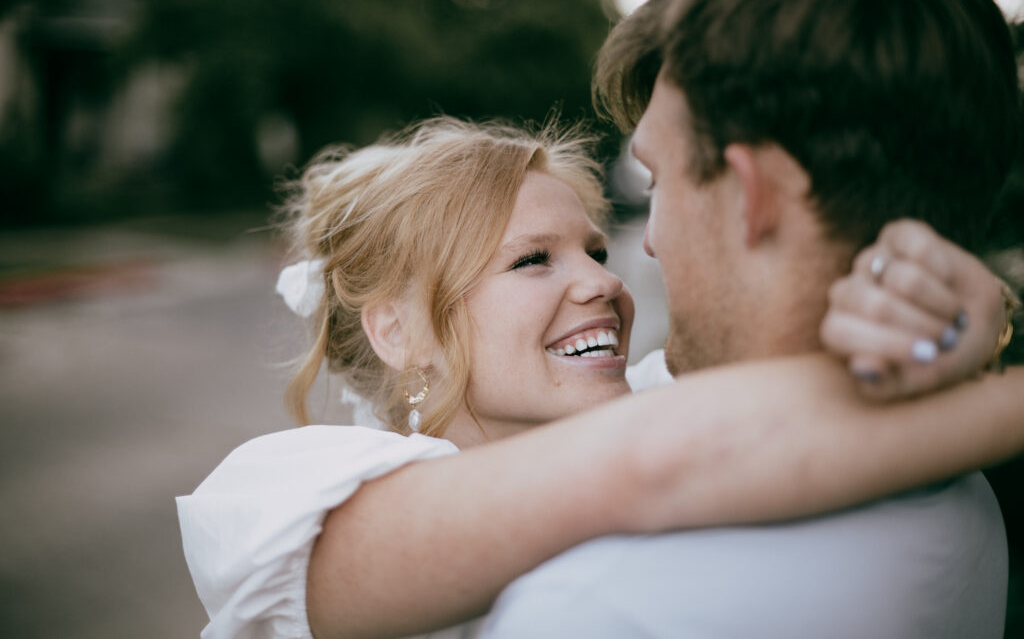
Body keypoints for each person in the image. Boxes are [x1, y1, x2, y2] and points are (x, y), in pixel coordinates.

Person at [177, 113, 1022, 639]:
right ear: (398, 329)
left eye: (593, 248)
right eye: (532, 259)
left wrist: (980, 324)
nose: (606, 283)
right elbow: (667, 454)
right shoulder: (307, 506)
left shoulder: (643, 403)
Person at [480, 0, 1023, 637]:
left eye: (659, 183)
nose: (645, 245)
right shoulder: (960, 485)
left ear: (749, 194)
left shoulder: (604, 606)